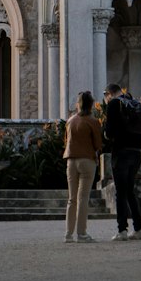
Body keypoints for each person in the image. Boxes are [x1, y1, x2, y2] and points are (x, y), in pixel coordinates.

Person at [103, 82, 141, 242]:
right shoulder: (136, 104)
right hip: (136, 152)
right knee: (130, 191)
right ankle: (139, 229)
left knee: (120, 192)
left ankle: (122, 230)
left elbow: (109, 132)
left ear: (108, 94)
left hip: (121, 151)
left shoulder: (114, 103)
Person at [63, 89, 103, 243]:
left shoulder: (70, 120)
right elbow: (98, 144)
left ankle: (68, 234)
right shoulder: (93, 121)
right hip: (87, 160)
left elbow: (66, 141)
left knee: (71, 199)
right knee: (83, 198)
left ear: (78, 104)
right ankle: (82, 233)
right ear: (91, 104)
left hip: (71, 160)